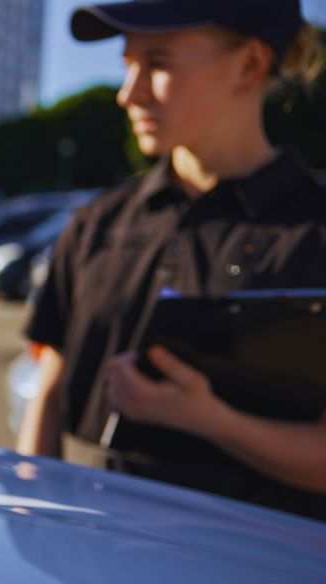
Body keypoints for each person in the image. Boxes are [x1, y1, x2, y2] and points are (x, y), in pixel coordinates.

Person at [17, 0, 326, 520]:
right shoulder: (98, 224)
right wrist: (31, 516)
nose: (127, 93)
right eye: (126, 64)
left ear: (249, 65)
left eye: (157, 63)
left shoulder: (313, 234)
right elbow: (51, 383)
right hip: (95, 576)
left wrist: (210, 420)